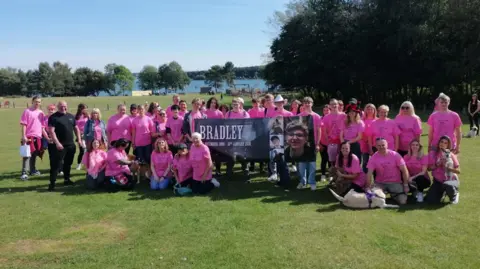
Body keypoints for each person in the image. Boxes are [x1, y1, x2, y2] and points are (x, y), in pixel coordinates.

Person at [47, 101, 82, 191]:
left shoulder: (71, 116)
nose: (63, 108)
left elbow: (76, 128)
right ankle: (52, 184)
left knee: (68, 163)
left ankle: (66, 179)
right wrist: (57, 143)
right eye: (61, 106)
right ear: (58, 107)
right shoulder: (53, 117)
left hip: (70, 145)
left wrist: (79, 140)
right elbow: (51, 131)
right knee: (56, 165)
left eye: (65, 106)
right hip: (59, 146)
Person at [366, 138, 410, 205]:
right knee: (373, 200)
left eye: (383, 145)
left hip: (395, 183)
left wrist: (406, 185)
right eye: (379, 145)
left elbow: (404, 170)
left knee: (403, 202)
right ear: (376, 146)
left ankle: (393, 195)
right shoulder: (373, 158)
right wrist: (368, 187)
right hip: (380, 183)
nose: (381, 147)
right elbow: (369, 174)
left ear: (387, 145)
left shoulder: (395, 155)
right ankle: (385, 196)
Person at [426, 136, 460, 204]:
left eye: (445, 143)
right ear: (438, 143)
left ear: (448, 145)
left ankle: (454, 195)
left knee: (448, 185)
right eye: (441, 142)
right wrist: (437, 164)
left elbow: (458, 171)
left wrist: (447, 167)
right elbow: (428, 169)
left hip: (450, 180)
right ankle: (442, 193)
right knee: (431, 200)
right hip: (438, 181)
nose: (443, 144)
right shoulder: (432, 154)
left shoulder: (451, 154)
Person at [296, 97, 322, 189]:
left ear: (312, 103)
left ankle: (312, 182)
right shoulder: (299, 116)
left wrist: (318, 144)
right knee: (302, 164)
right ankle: (303, 182)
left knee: (312, 164)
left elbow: (319, 131)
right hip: (302, 144)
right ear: (303, 104)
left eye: (309, 102)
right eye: (305, 102)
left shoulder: (317, 116)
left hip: (313, 144)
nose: (307, 104)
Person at [19, 96, 46, 180]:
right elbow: (24, 124)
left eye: (39, 102)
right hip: (29, 136)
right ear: (32, 102)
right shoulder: (27, 111)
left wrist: (46, 137)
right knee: (27, 154)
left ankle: (32, 170)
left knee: (34, 154)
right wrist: (24, 136)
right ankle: (24, 173)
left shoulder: (41, 113)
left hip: (38, 136)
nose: (37, 103)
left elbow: (42, 126)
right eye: (36, 101)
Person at [225, 98, 250, 181]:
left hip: (242, 139)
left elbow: (247, 126)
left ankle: (246, 172)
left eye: (237, 104)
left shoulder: (244, 113)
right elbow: (224, 125)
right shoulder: (228, 114)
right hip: (231, 139)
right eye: (234, 104)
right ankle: (228, 173)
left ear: (240, 104)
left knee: (242, 156)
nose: (235, 105)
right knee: (230, 156)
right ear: (232, 105)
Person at [322, 99, 346, 168]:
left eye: (335, 104)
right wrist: (328, 141)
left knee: (342, 159)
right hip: (332, 142)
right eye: (332, 104)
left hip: (342, 141)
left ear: (338, 105)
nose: (334, 105)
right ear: (329, 106)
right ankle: (333, 174)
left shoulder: (343, 115)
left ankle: (342, 175)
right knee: (332, 160)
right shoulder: (326, 117)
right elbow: (325, 131)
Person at [247, 98, 266, 172]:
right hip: (252, 133)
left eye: (257, 102)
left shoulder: (264, 110)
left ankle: (261, 166)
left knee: (261, 149)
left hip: (261, 133)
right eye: (254, 102)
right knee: (253, 149)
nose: (256, 104)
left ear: (260, 103)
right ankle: (252, 165)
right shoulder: (249, 111)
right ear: (252, 104)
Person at [361, 104, 377, 173]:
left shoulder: (377, 120)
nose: (370, 111)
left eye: (371, 109)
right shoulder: (362, 120)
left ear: (374, 110)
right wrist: (366, 140)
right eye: (368, 109)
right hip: (363, 142)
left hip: (374, 143)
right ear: (365, 110)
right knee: (365, 161)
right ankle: (364, 176)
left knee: (375, 161)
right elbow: (359, 131)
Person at [319, 104, 331, 181]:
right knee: (324, 159)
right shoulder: (320, 119)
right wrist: (319, 144)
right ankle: (323, 175)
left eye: (327, 110)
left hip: (332, 143)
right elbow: (318, 132)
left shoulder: (332, 119)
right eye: (324, 110)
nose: (326, 111)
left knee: (331, 160)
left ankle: (330, 175)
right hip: (323, 143)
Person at [75, 103, 89, 170]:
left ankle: (87, 164)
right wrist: (80, 134)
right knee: (82, 151)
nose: (85, 110)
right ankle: (79, 164)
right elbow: (75, 127)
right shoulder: (76, 117)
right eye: (84, 108)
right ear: (80, 108)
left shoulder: (87, 116)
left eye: (86, 108)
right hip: (80, 135)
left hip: (87, 135)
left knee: (88, 150)